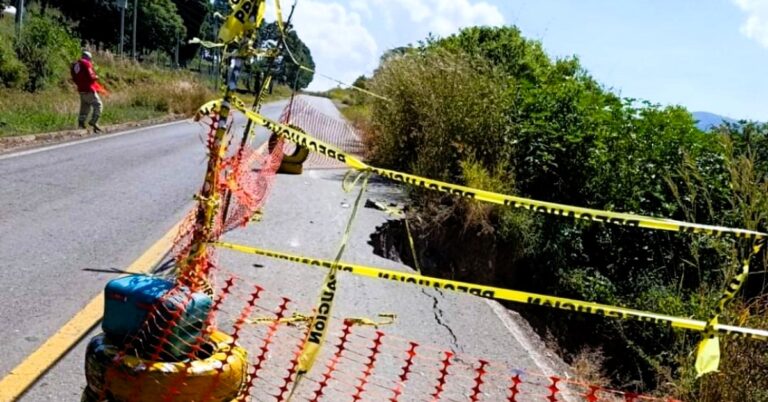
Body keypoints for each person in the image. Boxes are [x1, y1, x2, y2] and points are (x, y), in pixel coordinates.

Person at [71, 51, 103, 133]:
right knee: (98, 105)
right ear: (88, 58)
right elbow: (91, 76)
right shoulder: (86, 63)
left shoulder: (75, 65)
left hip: (81, 90)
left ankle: (81, 124)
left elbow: (74, 78)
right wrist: (96, 77)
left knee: (84, 107)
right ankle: (94, 121)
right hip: (89, 89)